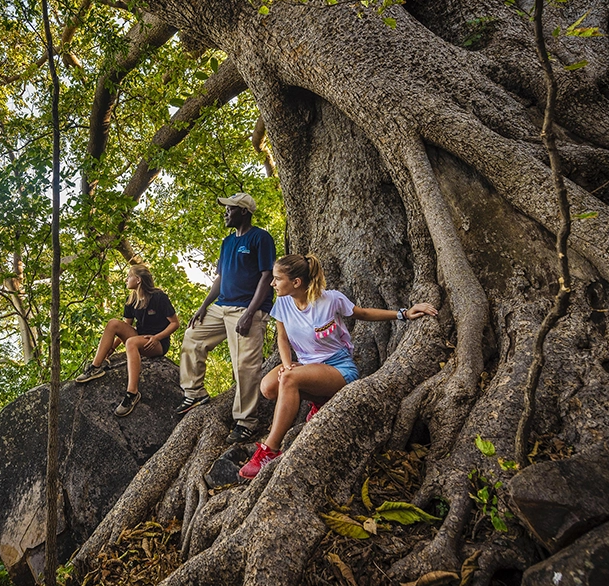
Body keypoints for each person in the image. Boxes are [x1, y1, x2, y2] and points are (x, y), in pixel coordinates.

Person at [238, 253, 438, 479]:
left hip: (338, 368)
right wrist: (287, 365)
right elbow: (282, 339)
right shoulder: (283, 303)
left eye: (277, 279)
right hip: (306, 367)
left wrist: (403, 314)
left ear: (296, 282)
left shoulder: (331, 299)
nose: (272, 283)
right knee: (268, 386)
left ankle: (270, 450)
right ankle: (319, 400)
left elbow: (363, 313)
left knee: (289, 380)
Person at [178, 192, 277, 445]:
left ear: (243, 211)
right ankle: (195, 392)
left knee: (244, 365)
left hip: (247, 311)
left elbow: (267, 277)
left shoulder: (260, 238)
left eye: (229, 209)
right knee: (192, 336)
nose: (225, 213)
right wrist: (203, 306)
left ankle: (246, 422)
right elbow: (220, 278)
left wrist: (250, 313)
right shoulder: (227, 242)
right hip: (221, 307)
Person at [75, 264, 180, 417]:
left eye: (129, 276)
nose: (126, 279)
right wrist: (111, 348)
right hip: (139, 337)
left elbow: (175, 323)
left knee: (131, 343)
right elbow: (125, 328)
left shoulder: (159, 297)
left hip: (157, 343)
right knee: (113, 323)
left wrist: (157, 337)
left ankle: (132, 393)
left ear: (138, 280)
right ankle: (95, 367)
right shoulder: (131, 300)